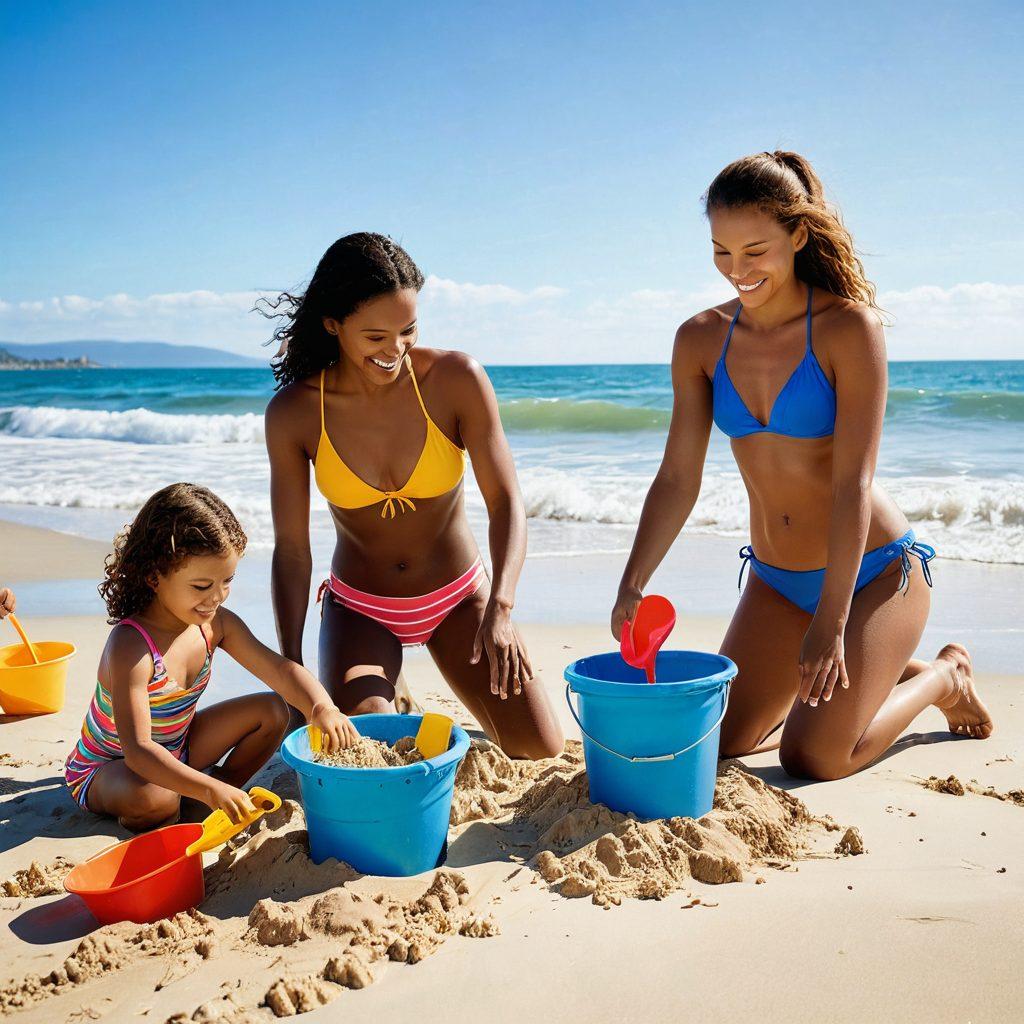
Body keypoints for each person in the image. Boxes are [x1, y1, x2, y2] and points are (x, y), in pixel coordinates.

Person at [612, 151, 991, 781]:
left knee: (813, 756)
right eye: (721, 252)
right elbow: (679, 476)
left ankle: (945, 678)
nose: (737, 270)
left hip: (872, 574)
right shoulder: (701, 339)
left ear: (798, 234)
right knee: (723, 741)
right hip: (776, 580)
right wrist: (633, 580)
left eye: (755, 249)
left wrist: (833, 621)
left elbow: (853, 484)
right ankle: (887, 670)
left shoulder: (849, 329)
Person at [263, 233, 562, 759]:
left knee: (538, 746)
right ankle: (387, 690)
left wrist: (502, 605)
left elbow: (506, 501)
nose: (394, 350)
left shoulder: (455, 379)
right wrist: (291, 668)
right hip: (362, 609)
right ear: (333, 324)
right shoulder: (295, 412)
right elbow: (291, 549)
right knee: (369, 747)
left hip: (460, 600)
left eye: (408, 330)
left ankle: (410, 680)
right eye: (375, 336)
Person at [64, 483, 357, 831]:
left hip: (179, 747)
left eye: (227, 581)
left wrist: (322, 707)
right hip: (111, 767)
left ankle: (210, 796)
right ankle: (191, 797)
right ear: (154, 577)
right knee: (155, 798)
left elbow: (279, 670)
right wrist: (207, 786)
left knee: (273, 710)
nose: (216, 596)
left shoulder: (216, 625)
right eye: (202, 586)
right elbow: (139, 751)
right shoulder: (131, 646)